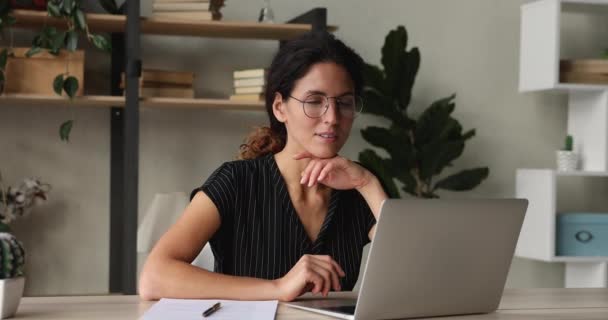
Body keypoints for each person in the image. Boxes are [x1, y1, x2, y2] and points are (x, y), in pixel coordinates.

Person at [139, 31, 388, 302]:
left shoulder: (360, 188)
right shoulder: (235, 181)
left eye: (344, 103)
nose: (332, 117)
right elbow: (154, 277)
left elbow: (415, 274)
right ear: (280, 108)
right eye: (314, 101)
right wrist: (278, 288)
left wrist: (368, 184)